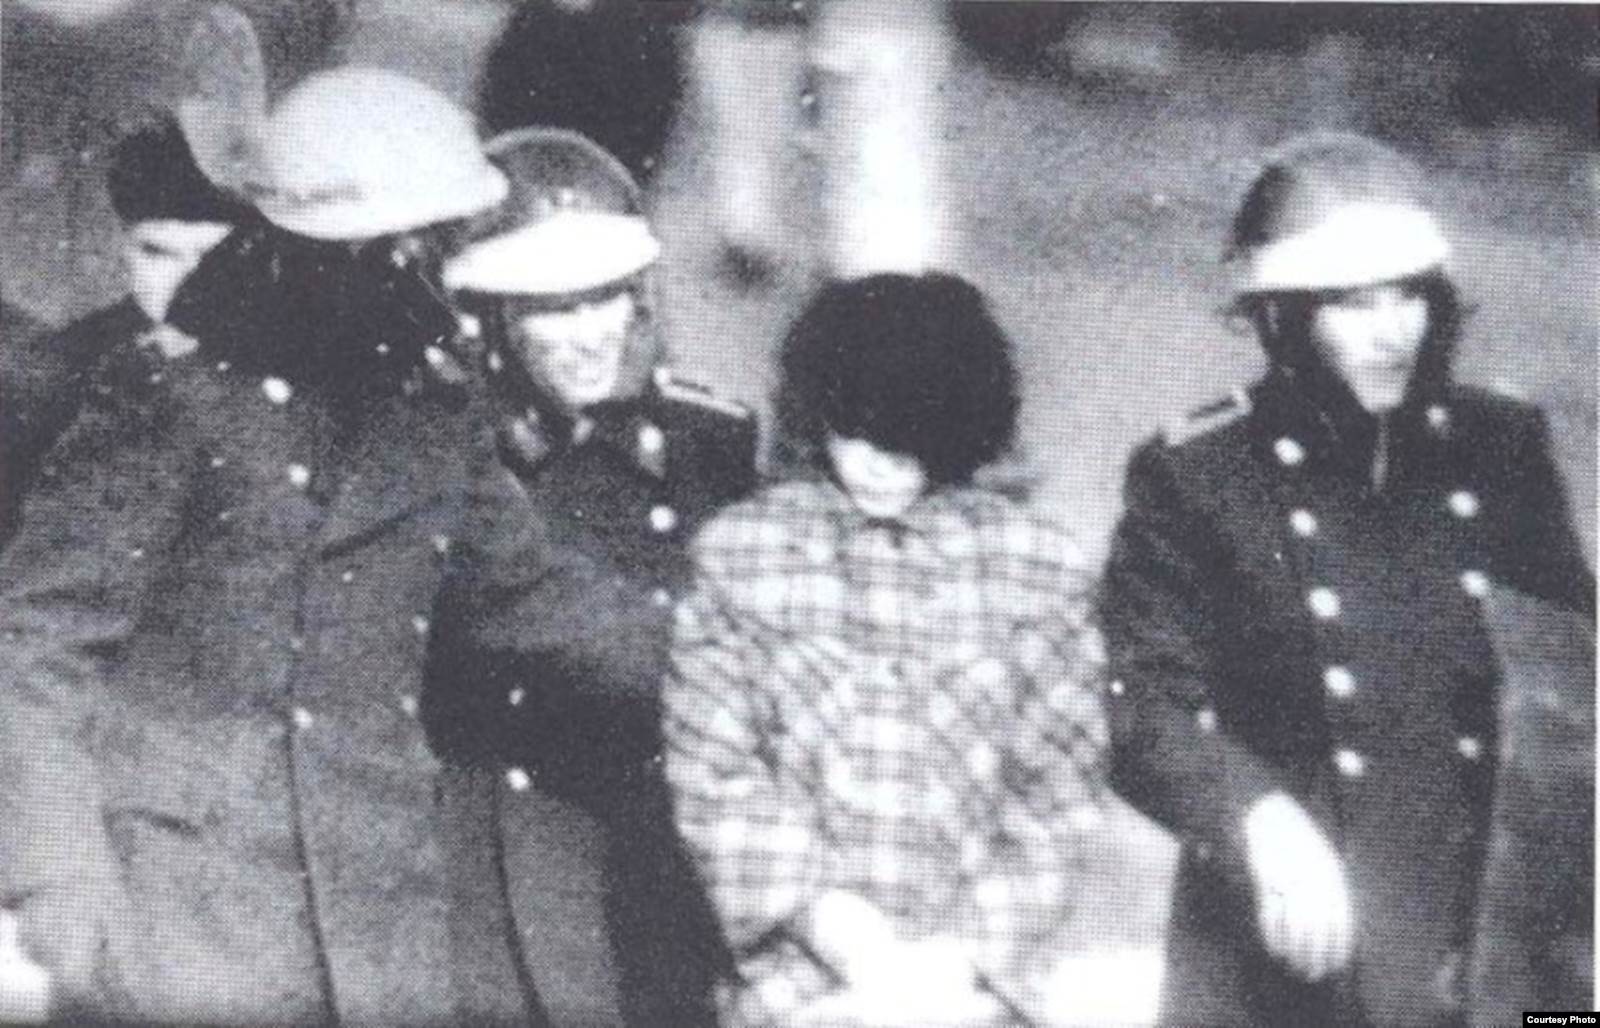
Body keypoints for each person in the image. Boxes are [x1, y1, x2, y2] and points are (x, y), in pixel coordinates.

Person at [0, 65, 658, 1025]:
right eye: (415, 245)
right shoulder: (175, 396)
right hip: (183, 905)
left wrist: (746, 666)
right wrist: (61, 886)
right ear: (339, 247)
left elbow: (539, 600)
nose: (432, 272)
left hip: (374, 900)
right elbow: (38, 653)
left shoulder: (429, 411)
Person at [1098, 130, 1595, 1026]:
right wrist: (1258, 820)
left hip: (1492, 926)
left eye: (1409, 295)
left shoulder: (1500, 446)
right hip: (1290, 938)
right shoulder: (1198, 473)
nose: (1393, 330)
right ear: (1282, 318)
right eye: (1353, 304)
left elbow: (1572, 675)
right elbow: (1142, 708)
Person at [661, 272, 1109, 1026]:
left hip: (974, 994)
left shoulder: (1037, 570)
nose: (877, 463)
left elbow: (1057, 801)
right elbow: (716, 779)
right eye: (856, 431)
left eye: (908, 443)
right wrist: (850, 946)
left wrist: (953, 967)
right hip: (793, 988)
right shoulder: (742, 556)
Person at [432, 126, 756, 1025]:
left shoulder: (711, 441)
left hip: (670, 849)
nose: (589, 335)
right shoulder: (455, 460)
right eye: (552, 308)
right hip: (510, 853)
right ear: (487, 319)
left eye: (606, 297)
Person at [0, 116, 249, 547]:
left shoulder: (304, 359)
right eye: (158, 252)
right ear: (124, 247)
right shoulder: (56, 372)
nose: (187, 282)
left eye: (215, 256)